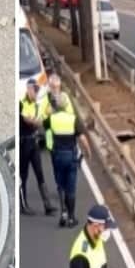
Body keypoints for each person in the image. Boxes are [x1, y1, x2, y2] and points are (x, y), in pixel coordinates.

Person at [43, 95, 91, 227]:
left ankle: (63, 213)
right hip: (70, 157)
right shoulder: (73, 119)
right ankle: (71, 217)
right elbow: (82, 139)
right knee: (71, 188)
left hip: (57, 156)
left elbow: (44, 128)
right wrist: (88, 152)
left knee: (60, 185)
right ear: (65, 106)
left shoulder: (51, 119)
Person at [19, 78, 56, 216]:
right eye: (35, 91)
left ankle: (47, 205)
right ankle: (23, 205)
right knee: (23, 175)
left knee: (40, 173)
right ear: (29, 90)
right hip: (24, 144)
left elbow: (39, 121)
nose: (36, 94)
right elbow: (29, 121)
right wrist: (40, 119)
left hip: (33, 142)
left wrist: (44, 116)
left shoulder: (34, 105)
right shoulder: (22, 104)